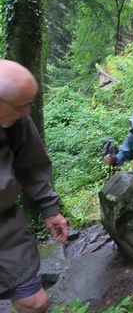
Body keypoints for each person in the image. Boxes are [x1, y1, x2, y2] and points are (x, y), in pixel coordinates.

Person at [0, 60, 69, 313]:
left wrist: (49, 207)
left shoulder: (16, 120)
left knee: (34, 302)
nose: (28, 112)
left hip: (4, 227)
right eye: (21, 106)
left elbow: (32, 163)